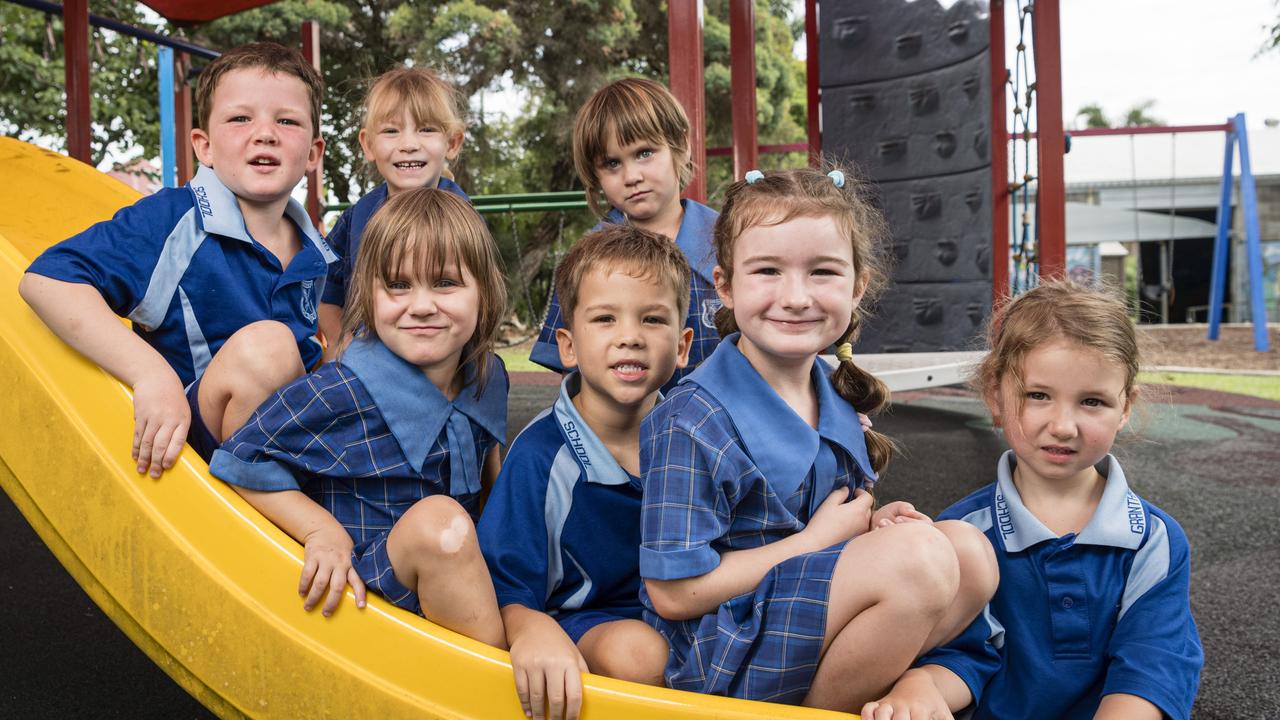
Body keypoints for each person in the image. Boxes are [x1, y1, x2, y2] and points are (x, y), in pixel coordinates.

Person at [638, 167, 999, 711]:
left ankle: (851, 698)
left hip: (799, 615)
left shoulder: (834, 391)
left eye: (823, 272)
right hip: (722, 647)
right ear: (725, 285)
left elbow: (830, 529)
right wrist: (819, 541)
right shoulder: (691, 420)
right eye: (767, 270)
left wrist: (873, 529)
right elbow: (672, 594)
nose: (796, 296)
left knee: (971, 555)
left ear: (857, 287)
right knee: (920, 562)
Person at [863, 281, 1203, 720]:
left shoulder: (1153, 541)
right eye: (1038, 395)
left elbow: (1152, 666)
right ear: (994, 394)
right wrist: (920, 687)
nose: (1063, 426)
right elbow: (961, 654)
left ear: (1125, 407)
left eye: (1092, 401)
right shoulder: (964, 532)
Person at [208, 188, 508, 648]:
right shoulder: (343, 390)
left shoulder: (488, 375)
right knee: (439, 524)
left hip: (456, 584)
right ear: (367, 296)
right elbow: (240, 457)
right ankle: (491, 691)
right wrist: (318, 529)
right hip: (365, 597)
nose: (422, 305)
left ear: (484, 293)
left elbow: (491, 468)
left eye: (445, 283)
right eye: (399, 285)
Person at [20, 41, 332, 474]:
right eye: (240, 118)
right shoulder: (174, 219)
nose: (265, 132)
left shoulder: (314, 249)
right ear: (203, 147)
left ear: (313, 154)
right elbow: (47, 281)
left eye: (287, 120)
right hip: (194, 446)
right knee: (269, 347)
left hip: (284, 435)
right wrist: (151, 374)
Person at [479, 225, 692, 720]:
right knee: (640, 656)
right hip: (590, 621)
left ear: (682, 347)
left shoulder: (699, 438)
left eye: (652, 318)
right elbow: (504, 583)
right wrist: (530, 628)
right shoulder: (541, 455)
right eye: (604, 318)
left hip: (687, 609)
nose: (630, 337)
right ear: (568, 348)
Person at [530, 77, 721, 393]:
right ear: (595, 174)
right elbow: (572, 375)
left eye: (645, 153)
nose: (632, 176)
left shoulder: (730, 245)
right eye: (612, 163)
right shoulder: (586, 260)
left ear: (682, 145)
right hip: (621, 434)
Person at [318, 66, 469, 358]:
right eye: (391, 131)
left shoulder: (463, 219)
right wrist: (340, 342)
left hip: (443, 362)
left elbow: (484, 296)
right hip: (368, 359)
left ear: (452, 143)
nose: (409, 145)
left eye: (426, 129)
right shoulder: (357, 218)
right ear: (368, 144)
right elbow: (326, 288)